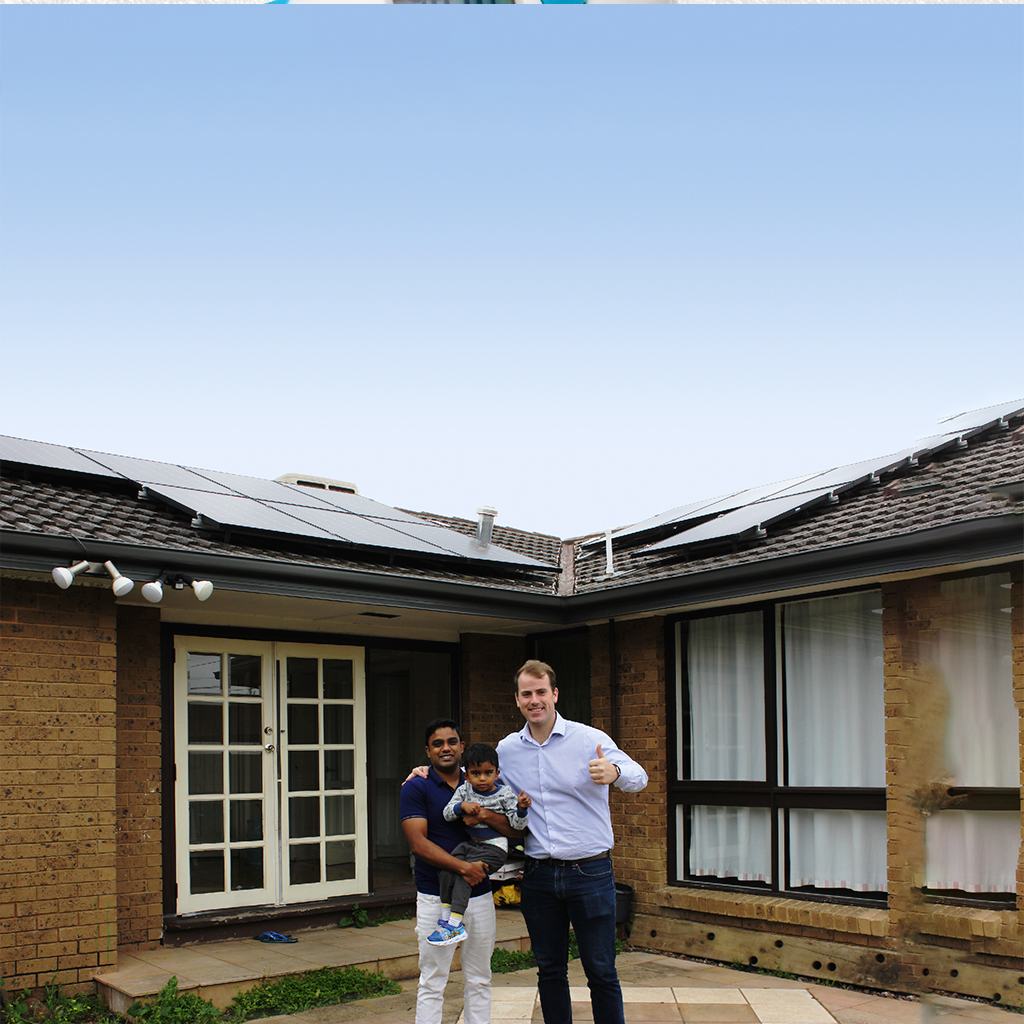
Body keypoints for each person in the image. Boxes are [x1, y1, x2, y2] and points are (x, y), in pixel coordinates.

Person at [495, 660, 648, 1024]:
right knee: (549, 971)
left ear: (555, 694)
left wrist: (615, 772)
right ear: (517, 699)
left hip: (590, 873)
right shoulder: (507, 750)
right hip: (539, 876)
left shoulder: (587, 739)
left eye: (541, 692)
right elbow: (471, 778)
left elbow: (639, 776)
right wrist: (426, 771)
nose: (535, 700)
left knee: (601, 971)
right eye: (527, 694)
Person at [399, 719, 521, 1024]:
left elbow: (515, 831)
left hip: (479, 895)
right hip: (434, 896)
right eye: (437, 743)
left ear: (462, 747)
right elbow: (418, 843)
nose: (445, 748)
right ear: (427, 751)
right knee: (433, 980)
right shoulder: (417, 786)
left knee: (480, 978)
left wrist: (484, 815)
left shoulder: (483, 785)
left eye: (452, 741)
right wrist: (464, 867)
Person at [430, 742, 531, 946]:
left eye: (488, 773)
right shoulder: (464, 790)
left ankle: (455, 924)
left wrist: (521, 809)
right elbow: (447, 814)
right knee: (447, 868)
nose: (482, 778)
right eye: (476, 773)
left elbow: (518, 826)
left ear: (497, 773)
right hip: (471, 845)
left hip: (494, 847)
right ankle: (446, 917)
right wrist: (461, 806)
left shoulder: (505, 794)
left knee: (464, 875)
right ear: (466, 775)